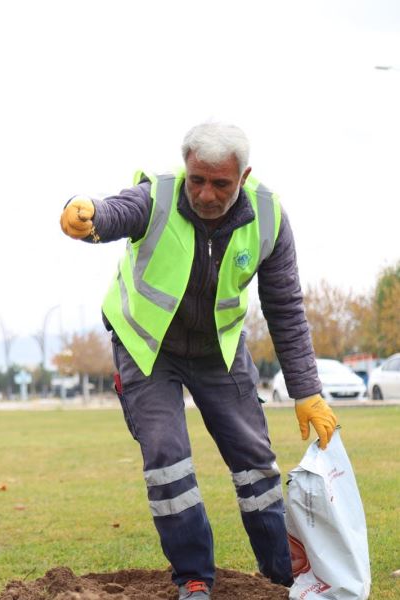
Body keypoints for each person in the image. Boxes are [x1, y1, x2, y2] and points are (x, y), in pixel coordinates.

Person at [59, 122, 338, 600]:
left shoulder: (268, 217)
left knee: (256, 464)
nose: (206, 194)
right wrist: (89, 216)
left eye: (221, 184)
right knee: (168, 460)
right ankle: (193, 578)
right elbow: (118, 211)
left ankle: (281, 576)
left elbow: (285, 307)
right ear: (186, 168)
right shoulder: (159, 196)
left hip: (219, 352)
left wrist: (307, 390)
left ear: (244, 175)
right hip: (148, 349)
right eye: (197, 180)